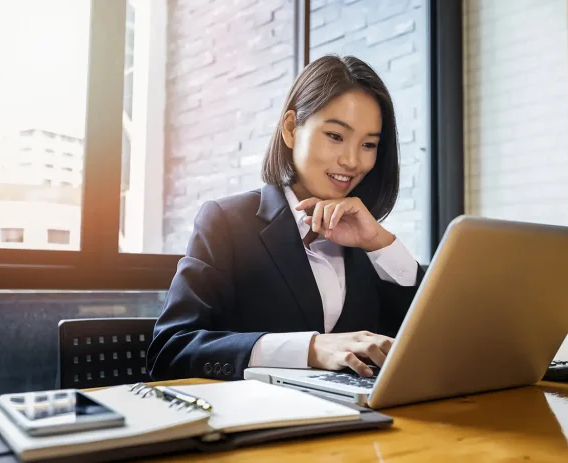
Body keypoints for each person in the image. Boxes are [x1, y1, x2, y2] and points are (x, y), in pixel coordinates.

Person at [147, 55, 424, 381]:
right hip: (258, 423)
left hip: (360, 424)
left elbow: (425, 344)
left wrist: (380, 243)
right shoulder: (227, 222)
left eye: (368, 144)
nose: (351, 161)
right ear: (291, 129)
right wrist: (310, 349)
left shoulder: (371, 247)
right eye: (335, 136)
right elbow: (170, 349)